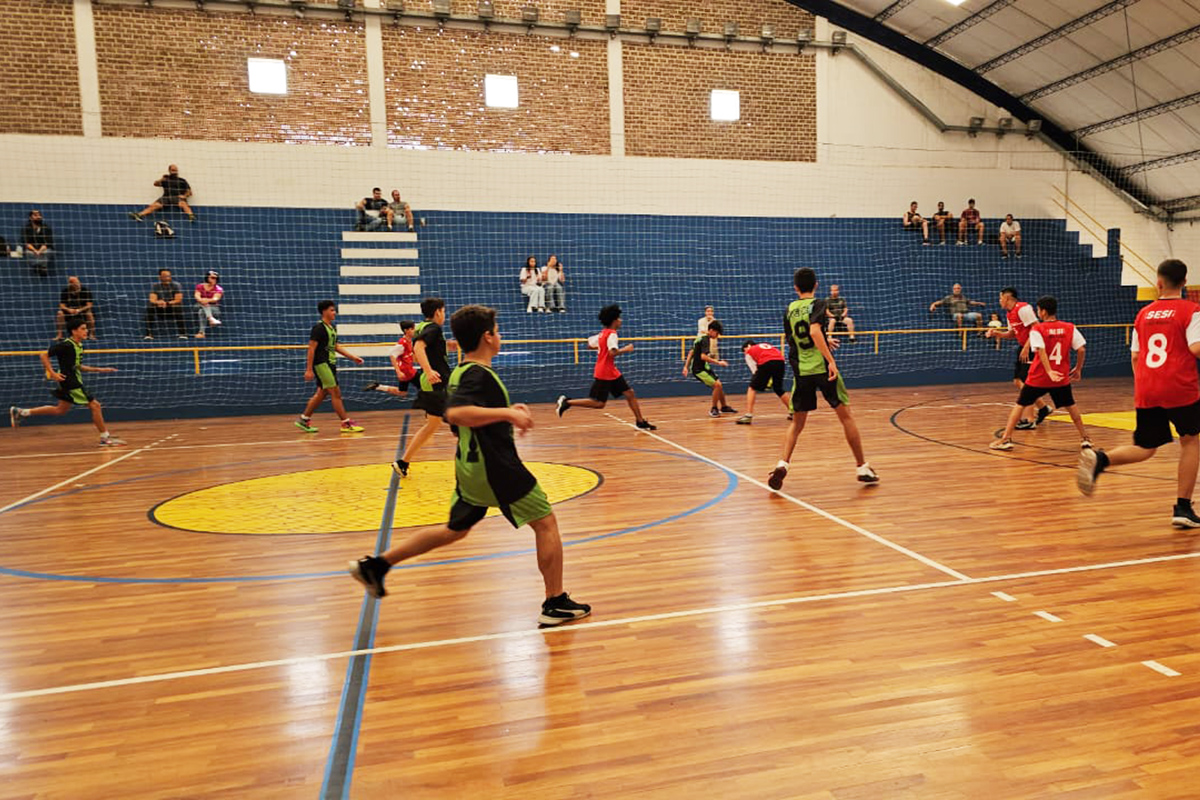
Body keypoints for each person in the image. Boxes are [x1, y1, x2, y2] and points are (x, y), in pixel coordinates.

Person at [349, 304, 592, 627]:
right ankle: (555, 602)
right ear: (487, 337)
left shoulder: (462, 372)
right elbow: (458, 414)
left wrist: (506, 409)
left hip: (470, 467)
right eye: (497, 330)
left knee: (455, 530)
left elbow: (463, 414)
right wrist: (509, 415)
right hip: (495, 467)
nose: (500, 335)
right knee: (545, 522)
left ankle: (377, 565)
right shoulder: (477, 373)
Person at [1078, 259, 1200, 528]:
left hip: (1147, 386)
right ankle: (1182, 507)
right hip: (1180, 387)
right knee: (1191, 441)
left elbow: (1135, 357)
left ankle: (1101, 459)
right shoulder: (1191, 311)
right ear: (1185, 283)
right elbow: (1196, 348)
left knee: (1145, 448)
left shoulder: (1142, 315)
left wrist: (1146, 383)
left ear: (1158, 283)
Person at [768, 267, 878, 490]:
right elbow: (815, 331)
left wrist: (824, 342)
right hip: (821, 368)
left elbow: (796, 339)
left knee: (797, 424)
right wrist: (830, 359)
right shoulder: (818, 304)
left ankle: (782, 464)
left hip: (801, 371)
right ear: (816, 285)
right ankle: (862, 467)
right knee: (846, 416)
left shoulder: (789, 309)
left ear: (795, 287)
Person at [990, 295, 1090, 451]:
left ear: (1043, 312)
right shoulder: (1069, 327)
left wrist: (1049, 371)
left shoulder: (1038, 329)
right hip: (1061, 377)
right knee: (1071, 406)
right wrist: (1078, 369)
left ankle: (1006, 439)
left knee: (1020, 405)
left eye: (1038, 310)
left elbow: (1041, 350)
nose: (1037, 313)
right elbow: (1081, 349)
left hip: (1039, 377)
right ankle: (1085, 439)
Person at [9, 319, 124, 446]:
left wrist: (99, 369)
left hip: (72, 380)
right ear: (74, 331)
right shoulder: (66, 345)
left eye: (86, 328)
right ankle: (104, 438)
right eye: (83, 329)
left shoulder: (78, 345)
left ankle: (21, 412)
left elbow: (77, 366)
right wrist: (52, 373)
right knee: (95, 406)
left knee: (60, 410)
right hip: (70, 382)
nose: (86, 331)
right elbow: (43, 355)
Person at [555, 304, 656, 430]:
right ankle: (567, 402)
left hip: (611, 370)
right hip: (605, 372)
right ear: (614, 321)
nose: (621, 321)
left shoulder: (603, 334)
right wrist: (626, 349)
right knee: (598, 403)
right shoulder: (612, 334)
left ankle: (640, 421)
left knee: (629, 393)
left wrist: (601, 347)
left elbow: (589, 345)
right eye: (619, 318)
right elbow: (612, 352)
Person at [394, 298, 459, 476]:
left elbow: (419, 352)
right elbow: (419, 349)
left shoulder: (421, 327)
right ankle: (474, 461)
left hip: (432, 383)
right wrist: (429, 371)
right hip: (437, 382)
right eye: (444, 311)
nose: (444, 315)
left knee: (432, 424)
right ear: (438, 312)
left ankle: (403, 462)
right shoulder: (434, 328)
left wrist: (447, 347)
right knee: (463, 417)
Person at [295, 300, 365, 434]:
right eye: (332, 310)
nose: (335, 313)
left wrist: (352, 357)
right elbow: (311, 349)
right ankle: (346, 423)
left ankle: (304, 419)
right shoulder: (318, 328)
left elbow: (335, 346)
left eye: (334, 310)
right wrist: (309, 369)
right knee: (335, 392)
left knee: (322, 393)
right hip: (321, 364)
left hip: (330, 364)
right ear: (324, 311)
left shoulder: (332, 328)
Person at [986, 287, 1048, 429]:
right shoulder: (1009, 314)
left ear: (1007, 298)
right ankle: (1043, 408)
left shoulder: (1023, 309)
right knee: (1018, 381)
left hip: (1032, 347)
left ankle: (1030, 419)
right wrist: (997, 334)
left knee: (1026, 382)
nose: (999, 301)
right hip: (1024, 347)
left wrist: (1027, 346)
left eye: (1000, 298)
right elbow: (1012, 334)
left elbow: (1036, 327)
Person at [684, 321, 737, 418]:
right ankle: (714, 408)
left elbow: (691, 352)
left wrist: (685, 367)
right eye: (717, 333)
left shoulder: (700, 338)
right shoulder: (705, 340)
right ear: (711, 330)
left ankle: (724, 407)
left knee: (719, 385)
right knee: (717, 385)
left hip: (704, 367)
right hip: (698, 369)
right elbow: (703, 356)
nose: (717, 336)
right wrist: (719, 362)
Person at [737, 339, 791, 425]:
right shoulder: (765, 345)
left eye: (744, 351)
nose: (744, 353)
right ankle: (792, 412)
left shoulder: (749, 351)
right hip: (780, 361)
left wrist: (762, 381)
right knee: (779, 389)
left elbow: (755, 371)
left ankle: (748, 415)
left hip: (767, 362)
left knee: (752, 388)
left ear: (748, 346)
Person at [364, 320, 418, 398]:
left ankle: (378, 387)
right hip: (407, 372)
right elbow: (392, 355)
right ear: (406, 330)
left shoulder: (409, 341)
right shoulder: (402, 343)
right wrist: (398, 372)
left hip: (408, 370)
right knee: (424, 387)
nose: (414, 330)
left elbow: (410, 356)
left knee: (402, 393)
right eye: (412, 329)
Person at [129, 165, 195, 223]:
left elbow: (189, 191)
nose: (174, 171)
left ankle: (191, 215)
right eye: (173, 170)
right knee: (155, 205)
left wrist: (184, 196)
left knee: (183, 204)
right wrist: (161, 179)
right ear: (169, 170)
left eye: (175, 170)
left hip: (177, 197)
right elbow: (155, 184)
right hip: (166, 197)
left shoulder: (182, 180)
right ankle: (139, 215)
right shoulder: (166, 179)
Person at [144, 269, 189, 339]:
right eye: (164, 276)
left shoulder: (176, 285)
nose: (167, 278)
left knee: (178, 307)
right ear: (160, 277)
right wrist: (158, 302)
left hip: (171, 307)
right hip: (159, 307)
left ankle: (182, 334)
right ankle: (148, 334)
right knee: (150, 307)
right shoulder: (155, 286)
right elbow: (152, 299)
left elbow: (178, 299)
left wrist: (167, 303)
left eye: (168, 276)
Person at [56, 276, 95, 340]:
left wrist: (79, 310)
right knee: (60, 313)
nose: (77, 284)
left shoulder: (85, 291)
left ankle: (91, 334)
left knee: (89, 314)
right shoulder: (65, 291)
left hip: (82, 312)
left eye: (77, 282)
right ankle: (59, 335)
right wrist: (69, 310)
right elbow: (61, 306)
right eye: (74, 283)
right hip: (69, 313)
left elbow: (89, 305)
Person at [22, 210, 54, 276]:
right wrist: (35, 251)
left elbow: (48, 243)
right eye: (35, 215)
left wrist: (39, 251)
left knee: (47, 252)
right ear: (30, 218)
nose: (38, 217)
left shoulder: (46, 228)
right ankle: (42, 266)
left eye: (39, 215)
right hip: (32, 250)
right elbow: (26, 242)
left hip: (44, 250)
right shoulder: (26, 229)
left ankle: (39, 266)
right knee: (28, 253)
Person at [193, 270, 223, 338]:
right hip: (199, 304)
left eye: (216, 278)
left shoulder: (218, 288)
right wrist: (202, 300)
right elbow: (196, 295)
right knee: (202, 306)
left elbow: (216, 299)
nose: (214, 279)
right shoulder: (200, 286)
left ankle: (201, 333)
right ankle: (211, 318)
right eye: (212, 277)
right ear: (207, 278)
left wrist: (207, 300)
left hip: (214, 308)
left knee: (202, 311)